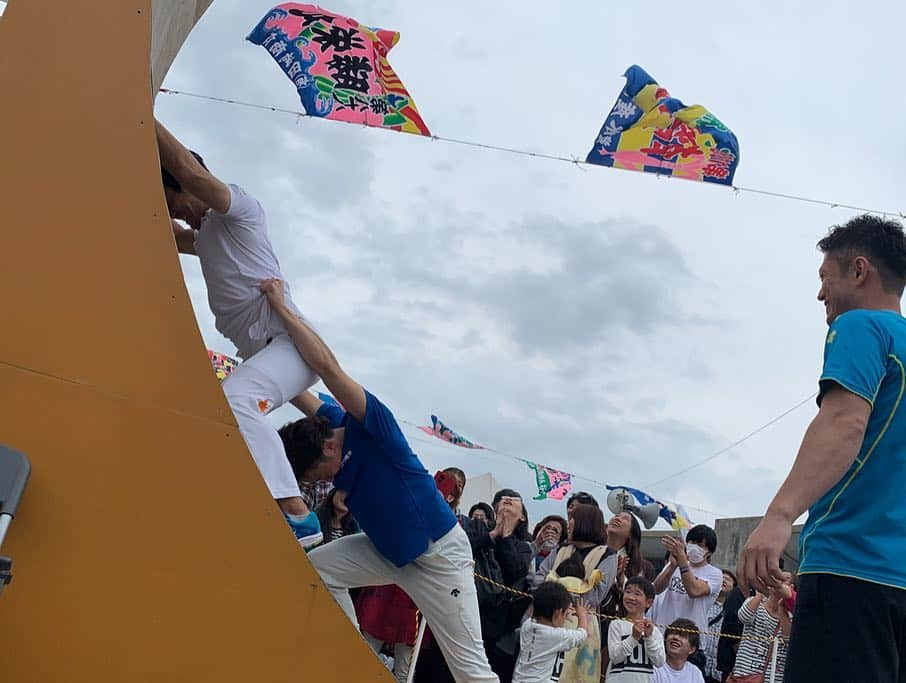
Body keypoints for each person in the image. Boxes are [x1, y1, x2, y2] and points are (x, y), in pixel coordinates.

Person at [260, 278, 498, 683]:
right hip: (387, 550)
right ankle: (356, 662)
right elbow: (296, 388)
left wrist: (281, 306)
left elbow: (326, 367)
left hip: (439, 559)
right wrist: (258, 351)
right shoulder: (324, 425)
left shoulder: (372, 427)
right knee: (317, 569)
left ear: (330, 451)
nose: (328, 484)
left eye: (322, 475)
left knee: (471, 673)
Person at [737, 215, 906, 683]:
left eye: (824, 278)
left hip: (851, 569)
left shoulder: (861, 327)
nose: (820, 295)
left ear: (858, 270)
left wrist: (777, 516)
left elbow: (844, 421)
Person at [155, 120, 323, 547]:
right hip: (266, 354)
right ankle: (246, 498)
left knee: (235, 400)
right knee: (224, 412)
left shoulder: (240, 209)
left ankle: (298, 515)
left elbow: (189, 172)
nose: (182, 214)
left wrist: (142, 117)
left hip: (291, 346)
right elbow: (173, 236)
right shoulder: (207, 237)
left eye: (180, 204)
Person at [534, 504, 618, 683]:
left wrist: (555, 589)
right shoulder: (560, 549)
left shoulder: (608, 555)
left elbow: (596, 595)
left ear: (584, 523)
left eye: (571, 519)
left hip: (582, 621)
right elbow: (538, 579)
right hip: (549, 619)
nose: (568, 524)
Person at [468, 489, 533, 682]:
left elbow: (515, 570)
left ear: (522, 516)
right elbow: (464, 547)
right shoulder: (478, 528)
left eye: (514, 501)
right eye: (504, 500)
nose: (508, 501)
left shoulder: (523, 546)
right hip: (467, 606)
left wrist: (504, 536)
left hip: (496, 626)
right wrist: (492, 534)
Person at [650, 525, 722, 635]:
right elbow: (656, 589)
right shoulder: (673, 565)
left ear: (710, 552)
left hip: (691, 637)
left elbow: (694, 591)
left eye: (700, 545)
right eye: (692, 542)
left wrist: (682, 561)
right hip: (663, 631)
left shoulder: (714, 574)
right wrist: (672, 566)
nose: (694, 547)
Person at [512, 582, 590, 683]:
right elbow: (581, 635)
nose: (565, 618)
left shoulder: (527, 626)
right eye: (565, 614)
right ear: (557, 614)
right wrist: (582, 615)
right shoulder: (556, 636)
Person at [727, 582, 792, 683]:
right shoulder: (755, 603)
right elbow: (743, 617)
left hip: (774, 678)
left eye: (784, 583)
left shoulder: (791, 615)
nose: (779, 586)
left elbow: (789, 639)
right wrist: (760, 594)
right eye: (776, 581)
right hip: (744, 675)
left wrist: (782, 608)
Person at [605, 576, 666, 682]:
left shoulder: (653, 630)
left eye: (637, 594)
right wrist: (633, 638)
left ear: (649, 602)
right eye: (628, 592)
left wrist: (649, 637)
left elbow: (659, 661)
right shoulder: (616, 625)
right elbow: (615, 657)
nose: (631, 597)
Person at [700, 571, 737, 683]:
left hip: (719, 669)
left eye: (728, 579)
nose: (723, 580)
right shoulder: (703, 603)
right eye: (721, 578)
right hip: (702, 662)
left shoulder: (734, 610)